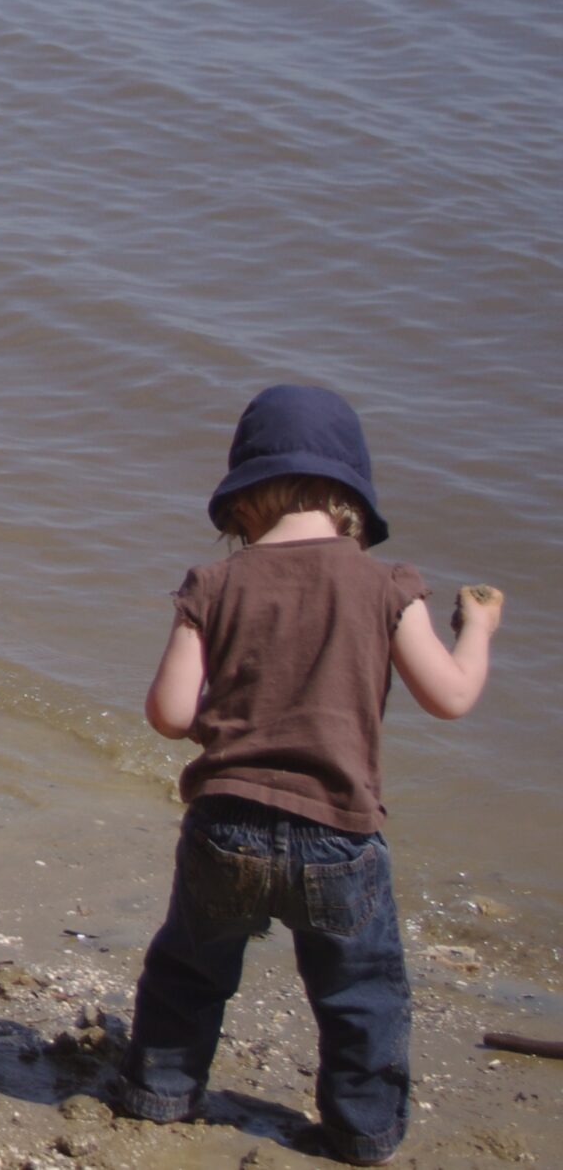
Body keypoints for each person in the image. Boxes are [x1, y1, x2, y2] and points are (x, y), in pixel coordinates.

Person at [117, 385, 504, 1165]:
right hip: (339, 837)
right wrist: (481, 628)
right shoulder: (389, 586)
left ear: (243, 499)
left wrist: (230, 716)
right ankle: (361, 1129)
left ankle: (161, 1092)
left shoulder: (213, 584)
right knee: (362, 993)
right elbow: (452, 697)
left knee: (190, 968)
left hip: (225, 824)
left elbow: (167, 712)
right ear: (350, 494)